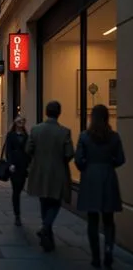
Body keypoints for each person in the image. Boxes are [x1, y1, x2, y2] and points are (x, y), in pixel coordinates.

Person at [75, 105, 125, 268]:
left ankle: (96, 257)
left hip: (90, 178)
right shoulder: (114, 136)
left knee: (92, 220)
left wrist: (86, 167)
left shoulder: (84, 136)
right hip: (108, 177)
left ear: (92, 118)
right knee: (109, 220)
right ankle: (108, 252)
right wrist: (108, 164)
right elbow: (120, 159)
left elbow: (78, 160)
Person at [26, 101, 74, 252]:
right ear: (59, 113)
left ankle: (47, 233)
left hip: (40, 172)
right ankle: (46, 228)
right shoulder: (64, 132)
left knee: (44, 200)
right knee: (56, 201)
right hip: (57, 172)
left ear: (46, 112)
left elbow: (28, 149)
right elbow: (69, 153)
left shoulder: (36, 130)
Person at [6, 115, 30, 227]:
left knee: (19, 189)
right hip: (14, 166)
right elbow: (8, 151)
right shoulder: (10, 135)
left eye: (23, 121)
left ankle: (17, 212)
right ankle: (17, 215)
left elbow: (29, 151)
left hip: (23, 166)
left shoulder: (26, 136)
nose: (21, 122)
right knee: (16, 191)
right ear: (15, 122)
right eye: (19, 121)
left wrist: (29, 165)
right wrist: (10, 163)